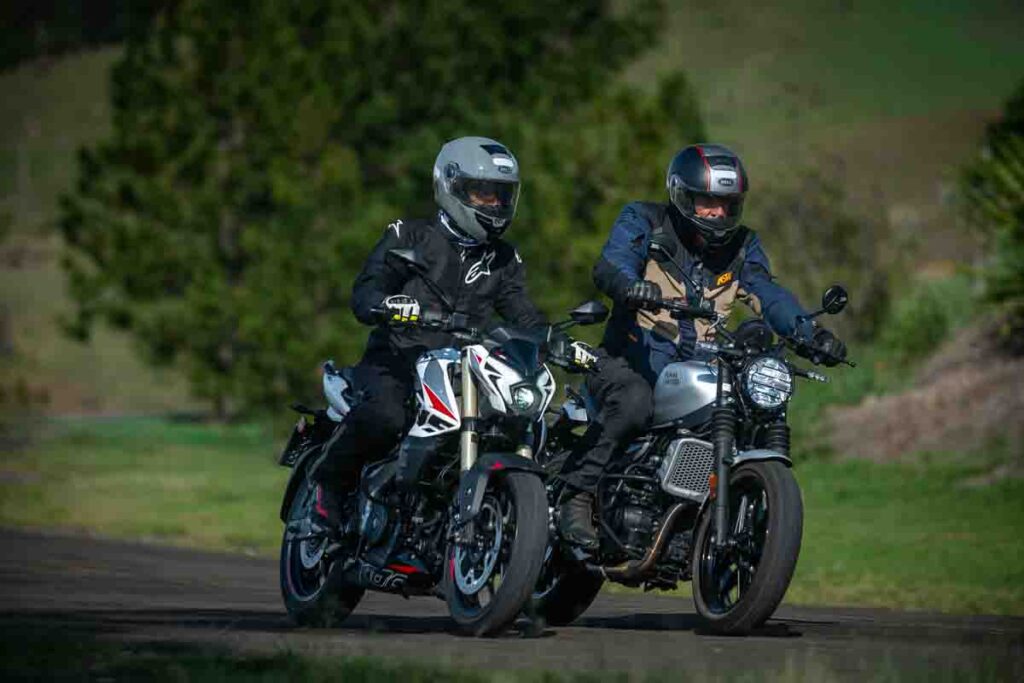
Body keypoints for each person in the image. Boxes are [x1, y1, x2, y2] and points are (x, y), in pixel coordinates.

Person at [557, 143, 847, 549]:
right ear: (681, 195)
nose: (718, 213)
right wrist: (629, 285)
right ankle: (578, 495)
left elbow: (768, 293)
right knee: (634, 401)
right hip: (632, 358)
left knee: (749, 411)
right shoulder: (645, 220)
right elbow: (611, 263)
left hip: (703, 366)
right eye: (708, 201)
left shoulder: (743, 246)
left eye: (728, 204)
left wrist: (810, 335)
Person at [310, 136, 546, 530]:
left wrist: (557, 341)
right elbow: (367, 290)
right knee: (385, 415)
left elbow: (525, 315)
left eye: (502, 195)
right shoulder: (410, 235)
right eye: (483, 192)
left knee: (515, 420)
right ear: (451, 186)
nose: (494, 204)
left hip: (462, 374)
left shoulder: (504, 258)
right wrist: (387, 305)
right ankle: (327, 487)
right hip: (398, 359)